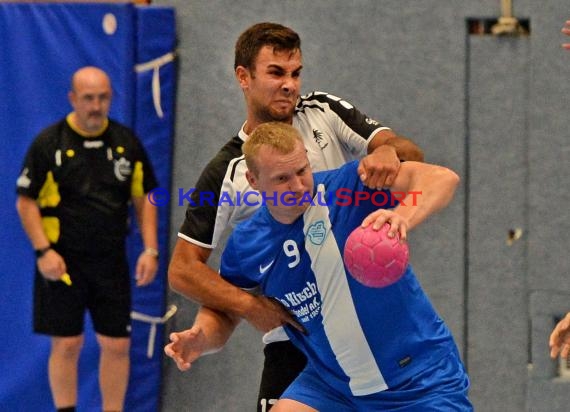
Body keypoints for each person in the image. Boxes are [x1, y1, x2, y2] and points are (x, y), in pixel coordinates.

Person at [166, 21, 424, 410]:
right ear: (243, 77)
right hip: (297, 337)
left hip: (364, 318)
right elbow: (183, 269)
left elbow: (407, 152)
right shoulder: (227, 173)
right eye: (275, 73)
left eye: (295, 73)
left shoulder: (323, 111)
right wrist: (252, 307)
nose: (289, 84)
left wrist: (389, 151)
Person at [167, 122, 472, 411]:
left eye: (302, 170)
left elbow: (442, 178)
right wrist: (201, 338)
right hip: (333, 385)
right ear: (253, 181)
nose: (298, 186)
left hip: (419, 377)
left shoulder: (351, 185)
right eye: (282, 178)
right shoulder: (246, 245)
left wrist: (403, 216)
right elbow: (225, 313)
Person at [15, 66, 159, 412]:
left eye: (103, 97)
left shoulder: (126, 143)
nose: (96, 106)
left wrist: (150, 249)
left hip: (110, 261)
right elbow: (25, 201)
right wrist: (43, 251)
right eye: (88, 98)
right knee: (67, 343)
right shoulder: (49, 144)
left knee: (117, 344)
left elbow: (147, 198)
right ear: (73, 99)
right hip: (62, 262)